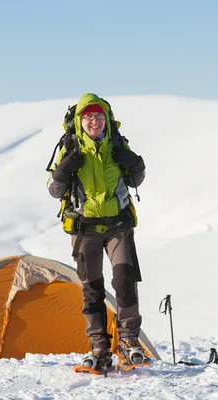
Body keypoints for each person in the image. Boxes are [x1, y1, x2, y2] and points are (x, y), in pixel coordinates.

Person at [48, 93, 147, 371]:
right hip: (85, 228)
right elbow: (54, 190)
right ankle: (99, 347)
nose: (95, 121)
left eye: (99, 116)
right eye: (89, 116)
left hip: (118, 224)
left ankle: (129, 342)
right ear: (80, 120)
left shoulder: (117, 144)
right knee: (92, 290)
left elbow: (134, 179)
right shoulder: (70, 148)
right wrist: (64, 170)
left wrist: (137, 164)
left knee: (125, 280)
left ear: (106, 119)